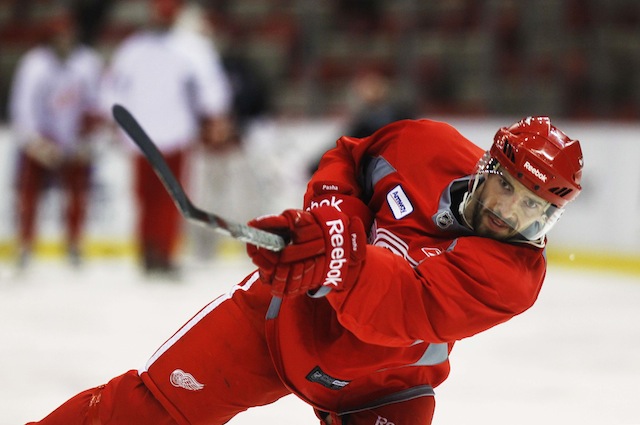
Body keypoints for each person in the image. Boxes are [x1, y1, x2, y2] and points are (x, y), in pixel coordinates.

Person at [26, 116, 584, 424]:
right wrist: (327, 221)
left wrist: (335, 251)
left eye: (533, 209)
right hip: (280, 318)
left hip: (384, 386)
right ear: (488, 167)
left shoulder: (513, 277)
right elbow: (346, 161)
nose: (510, 214)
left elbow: (395, 309)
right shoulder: (424, 144)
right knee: (149, 411)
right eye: (508, 190)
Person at [100, 0, 232, 276]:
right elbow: (113, 87)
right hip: (141, 137)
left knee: (171, 199)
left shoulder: (192, 47)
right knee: (144, 197)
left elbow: (211, 85)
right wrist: (113, 115)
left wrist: (216, 115)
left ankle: (164, 252)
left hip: (175, 133)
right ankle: (147, 252)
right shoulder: (133, 48)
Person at [8, 10, 104, 267]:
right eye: (59, 36)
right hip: (41, 142)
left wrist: (89, 136)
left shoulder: (87, 62)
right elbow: (22, 107)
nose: (64, 40)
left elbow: (97, 103)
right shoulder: (34, 63)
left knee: (78, 197)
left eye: (68, 34)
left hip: (75, 142)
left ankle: (74, 244)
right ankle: (25, 244)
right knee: (28, 196)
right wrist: (35, 142)